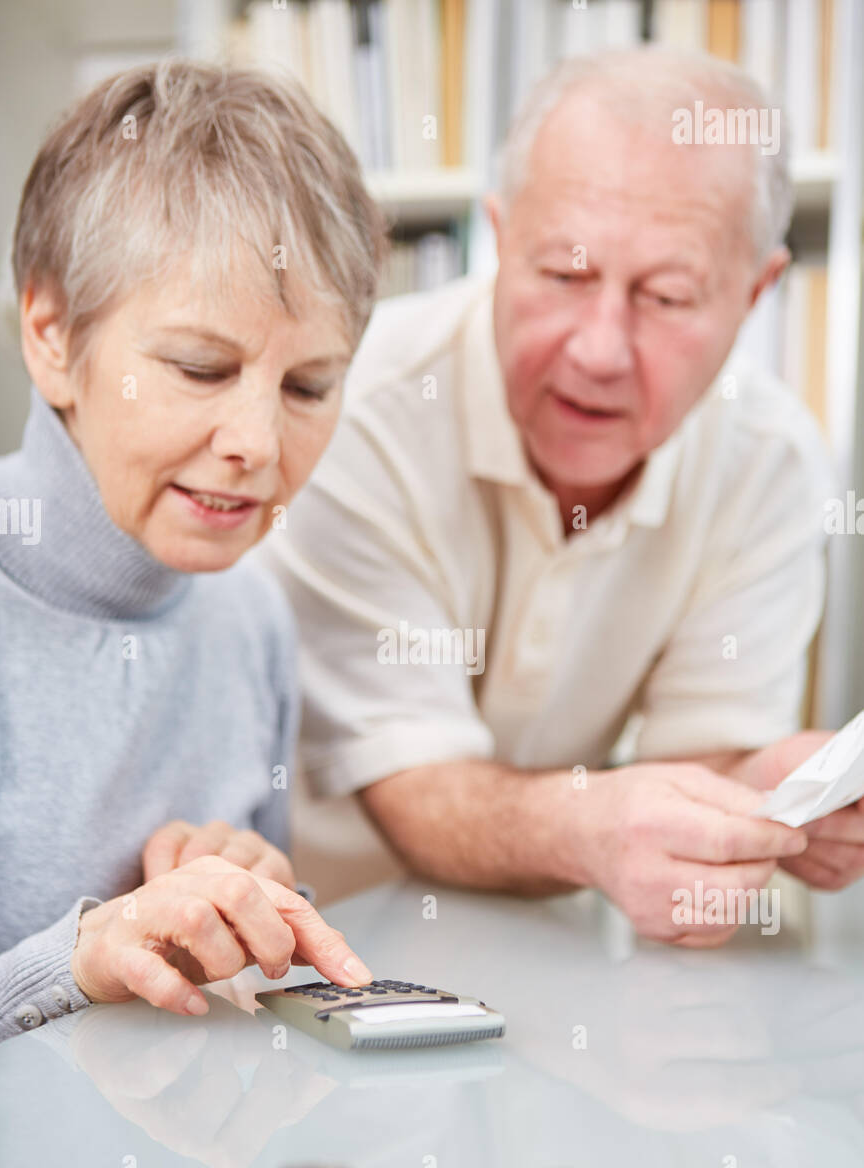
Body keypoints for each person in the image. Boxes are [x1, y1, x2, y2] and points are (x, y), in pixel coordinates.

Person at [263, 46, 864, 944]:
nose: (599, 351)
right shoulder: (353, 408)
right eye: (565, 276)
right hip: (311, 952)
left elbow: (690, 771)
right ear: (499, 239)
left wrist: (763, 791)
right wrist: (593, 828)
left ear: (758, 294)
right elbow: (415, 791)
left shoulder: (773, 464)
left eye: (667, 296)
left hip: (558, 962)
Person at [0, 58, 387, 1044]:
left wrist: (243, 906)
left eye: (309, 387)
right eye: (201, 366)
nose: (257, 442)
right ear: (49, 334)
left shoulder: (249, 616)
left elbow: (227, 1031)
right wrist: (80, 954)